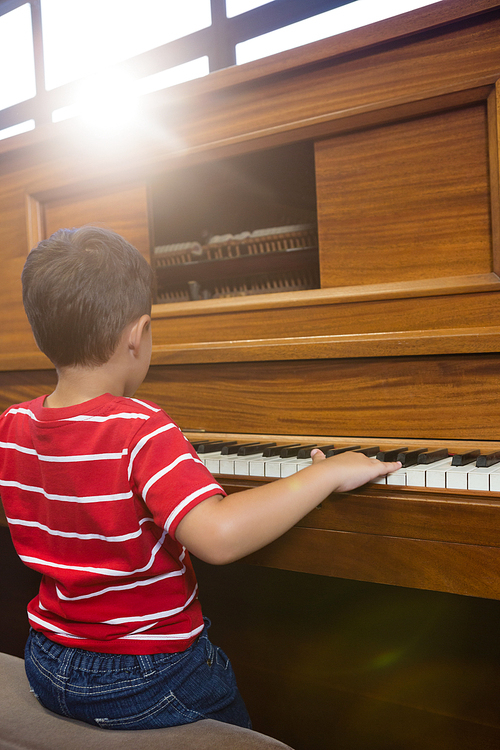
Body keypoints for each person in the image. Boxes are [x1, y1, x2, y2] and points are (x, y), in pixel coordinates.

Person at [0, 226, 400, 731]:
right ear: (137, 334)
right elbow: (219, 535)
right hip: (146, 676)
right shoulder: (140, 428)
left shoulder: (12, 426)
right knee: (217, 681)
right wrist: (323, 474)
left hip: (49, 660)